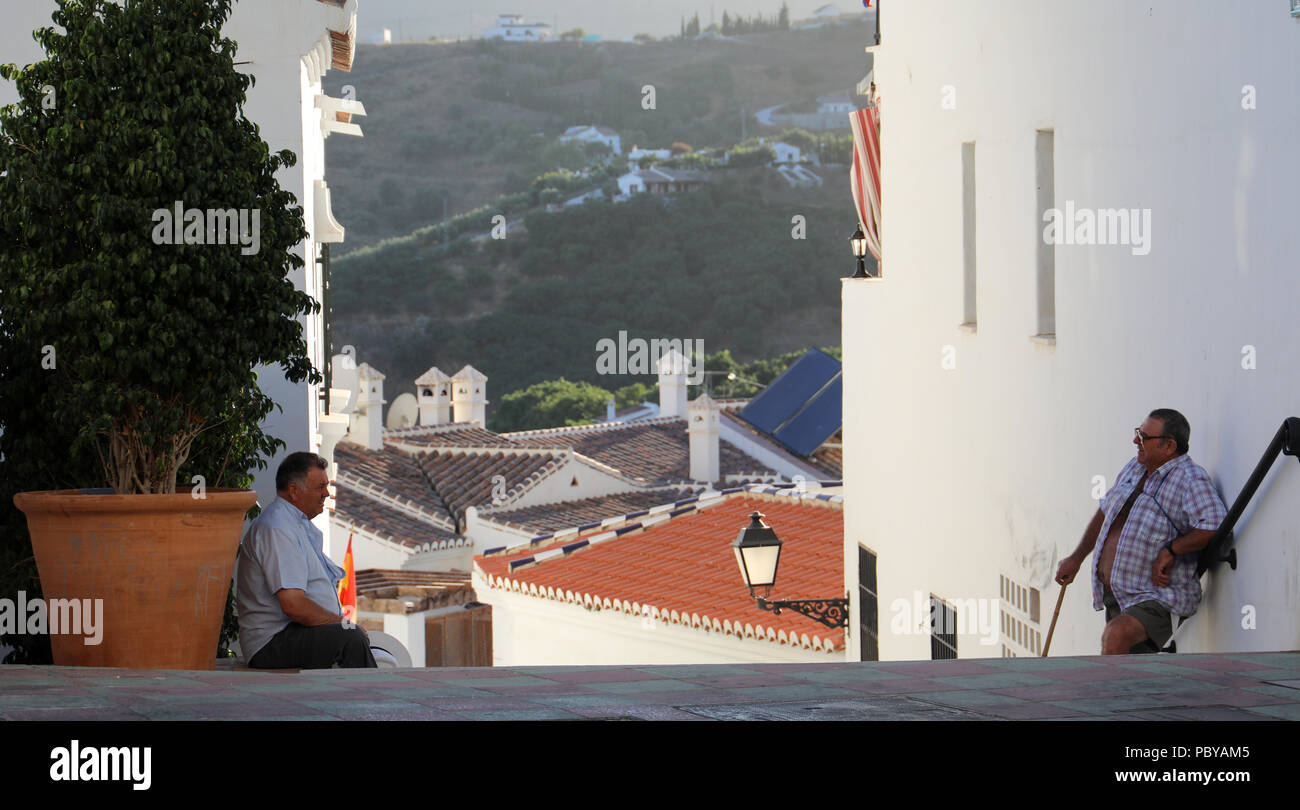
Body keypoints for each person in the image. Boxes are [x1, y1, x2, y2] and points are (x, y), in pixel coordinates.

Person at [1055, 409, 1227, 654]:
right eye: (1138, 433)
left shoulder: (1190, 479)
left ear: (1169, 446)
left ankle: (1108, 694)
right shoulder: (1135, 468)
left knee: (1116, 635)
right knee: (1131, 668)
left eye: (1144, 437)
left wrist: (1171, 550)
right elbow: (1106, 511)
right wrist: (1076, 557)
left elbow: (1215, 524)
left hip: (1155, 596)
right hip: (1118, 595)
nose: (1136, 440)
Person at [236, 452, 376, 669]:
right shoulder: (277, 528)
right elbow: (293, 605)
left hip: (294, 632)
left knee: (358, 638)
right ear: (294, 491)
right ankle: (366, 702)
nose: (326, 494)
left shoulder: (294, 523)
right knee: (351, 638)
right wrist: (342, 623)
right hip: (272, 643)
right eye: (320, 487)